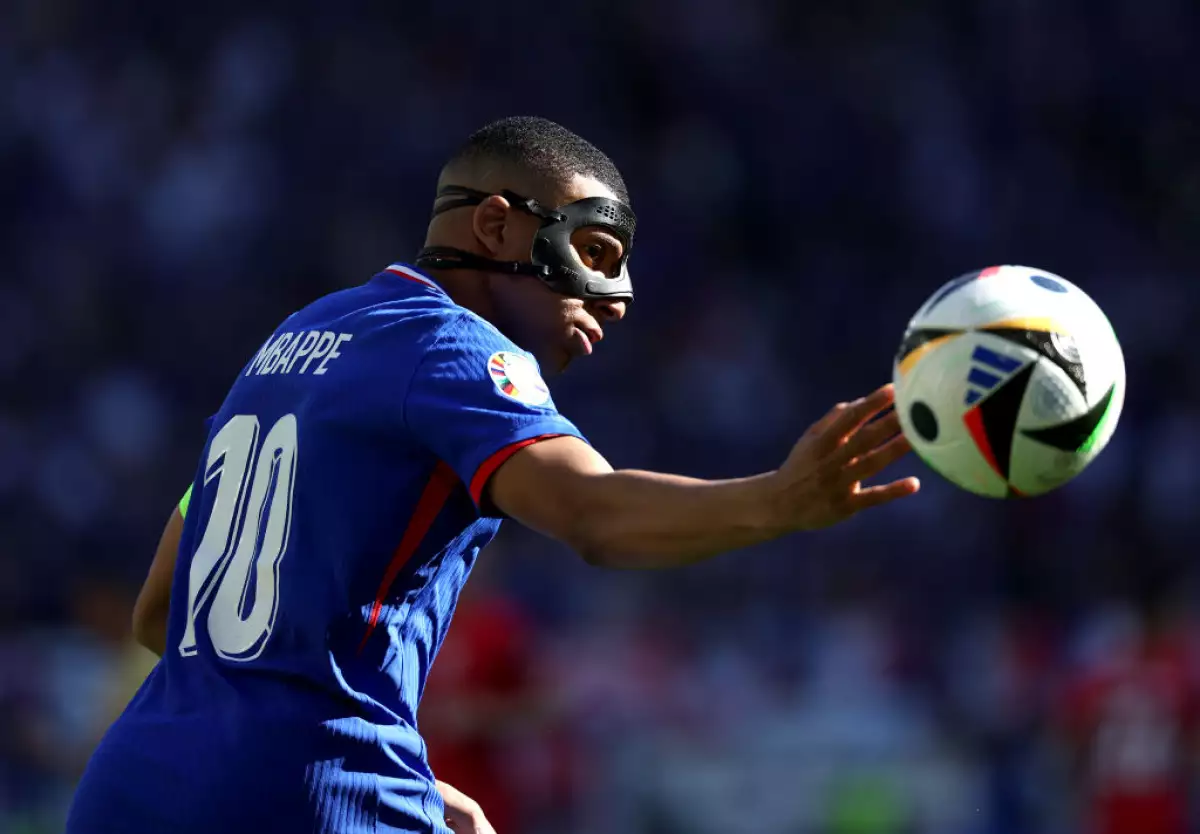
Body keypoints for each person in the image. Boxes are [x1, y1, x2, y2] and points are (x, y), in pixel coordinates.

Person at [66, 116, 919, 834]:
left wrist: (392, 771)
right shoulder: (453, 346)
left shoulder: (292, 342)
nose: (616, 296)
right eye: (593, 249)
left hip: (131, 787)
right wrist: (782, 499)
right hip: (311, 796)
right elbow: (592, 513)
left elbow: (159, 608)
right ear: (498, 227)